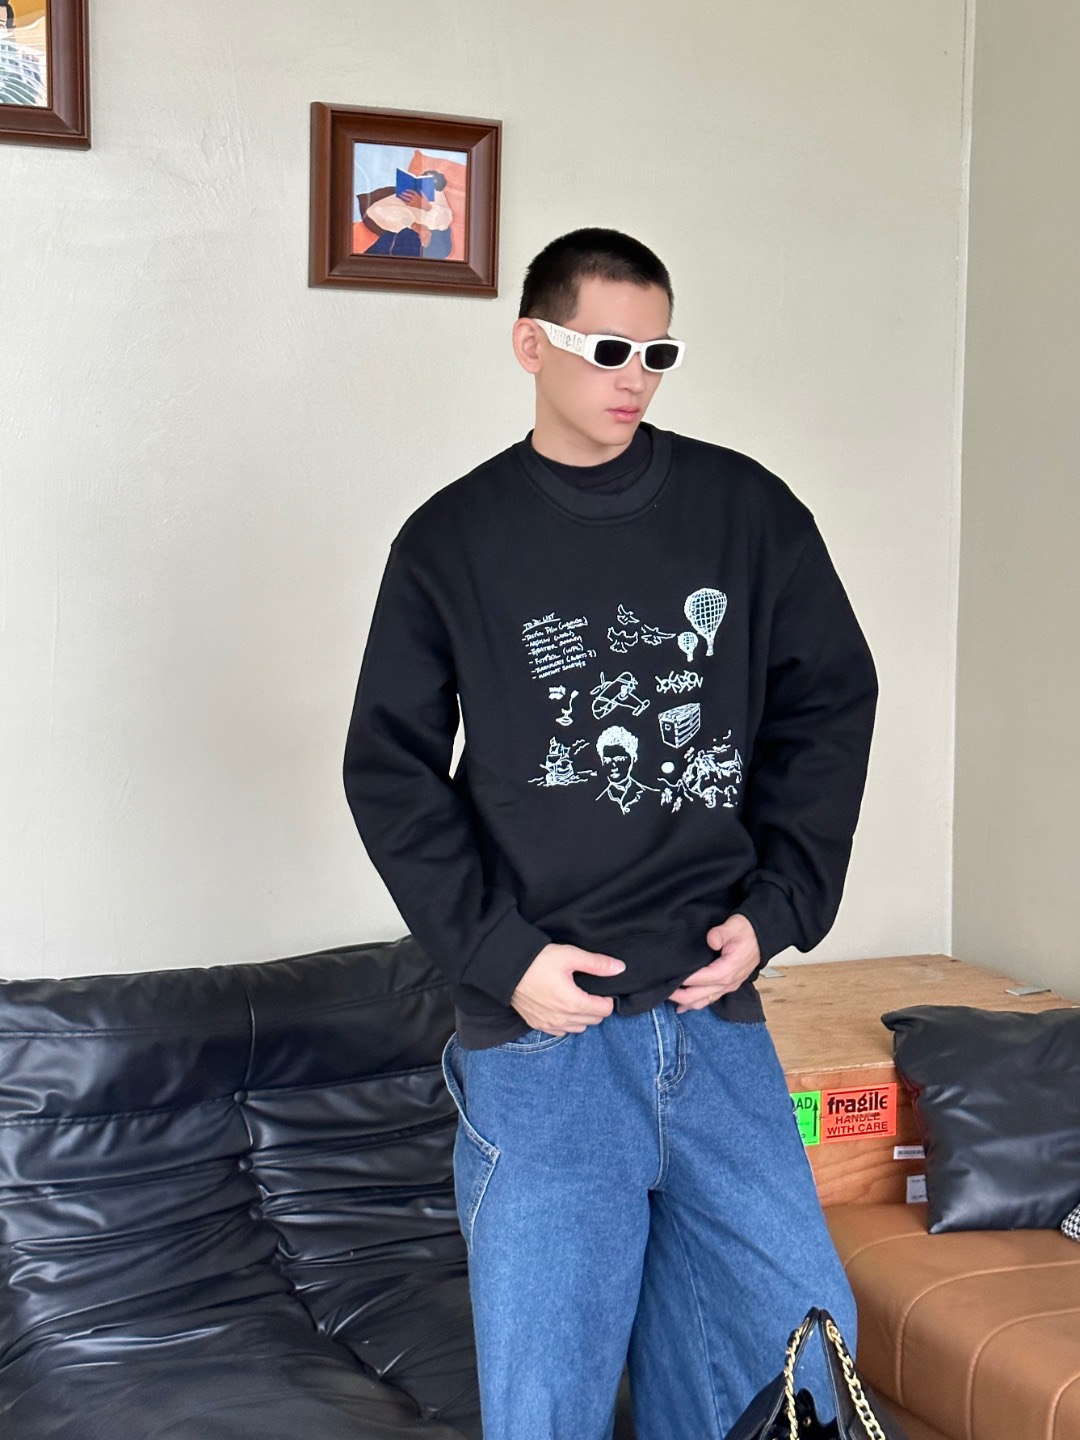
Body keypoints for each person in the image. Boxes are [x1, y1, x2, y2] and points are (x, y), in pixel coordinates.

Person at [343, 228, 878, 1439]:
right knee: (550, 1398)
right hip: (546, 1040)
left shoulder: (748, 513)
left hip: (711, 1018)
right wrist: (502, 956)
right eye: (607, 349)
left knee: (798, 1354)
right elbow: (389, 769)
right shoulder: (452, 541)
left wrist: (779, 910)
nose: (635, 377)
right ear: (530, 346)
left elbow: (830, 703)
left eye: (657, 352)